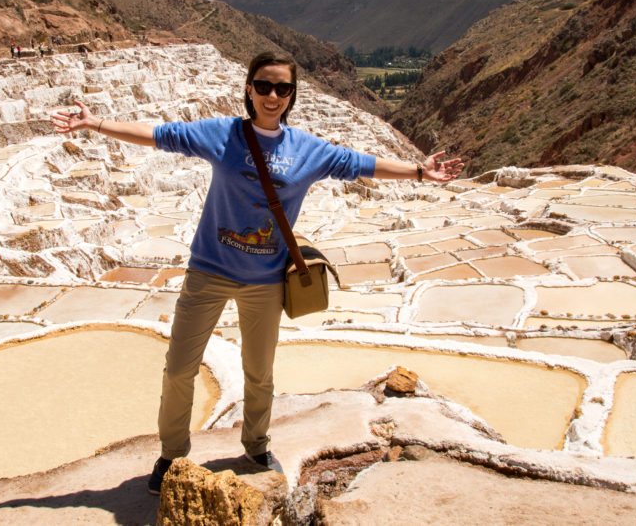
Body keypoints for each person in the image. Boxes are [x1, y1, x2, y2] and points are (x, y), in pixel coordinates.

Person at [49, 51, 464, 495]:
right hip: (208, 270)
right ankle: (171, 455)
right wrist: (95, 124)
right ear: (249, 88)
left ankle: (256, 446)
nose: (272, 95)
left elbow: (360, 164)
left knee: (259, 373)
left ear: (292, 95)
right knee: (178, 370)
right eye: (263, 86)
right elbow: (158, 135)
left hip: (265, 280)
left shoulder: (306, 149)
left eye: (282, 88)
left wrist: (420, 171)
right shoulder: (222, 134)